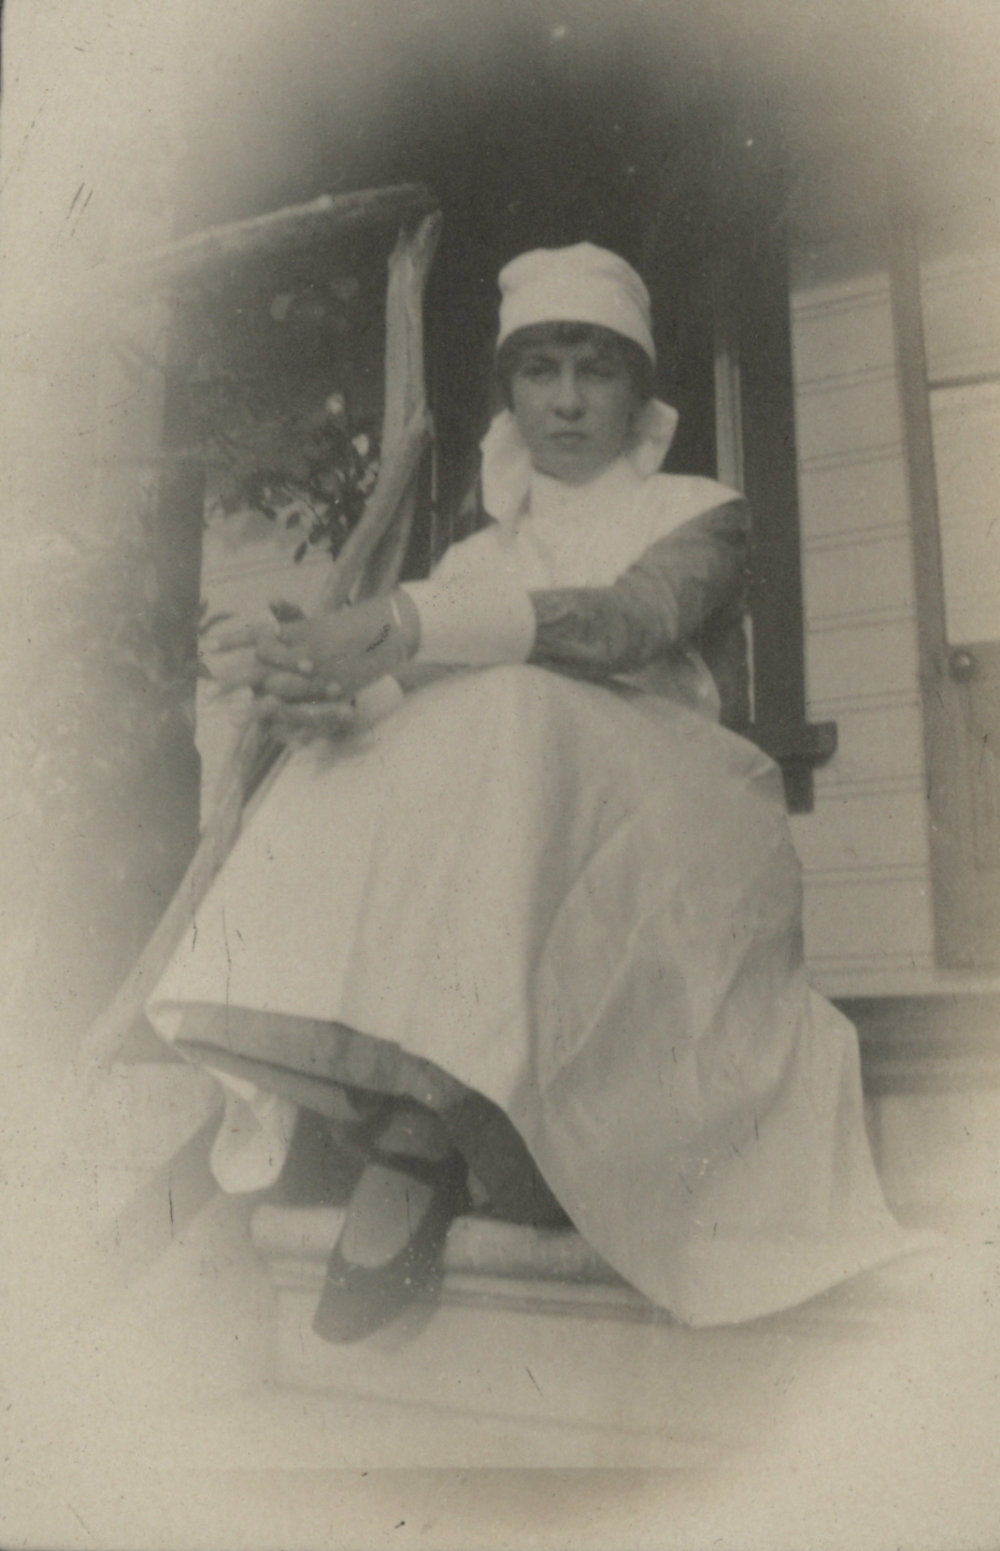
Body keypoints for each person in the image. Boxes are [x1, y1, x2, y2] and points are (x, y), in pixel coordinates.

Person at [148, 242, 920, 1343]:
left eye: (595, 368)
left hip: (678, 826)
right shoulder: (474, 556)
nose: (565, 401)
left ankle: (428, 1139)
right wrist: (328, 696)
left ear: (639, 387)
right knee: (387, 741)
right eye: (539, 369)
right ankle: (441, 1113)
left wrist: (404, 625)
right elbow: (410, 694)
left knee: (515, 710)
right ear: (508, 388)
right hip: (536, 822)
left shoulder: (702, 510)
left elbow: (624, 626)